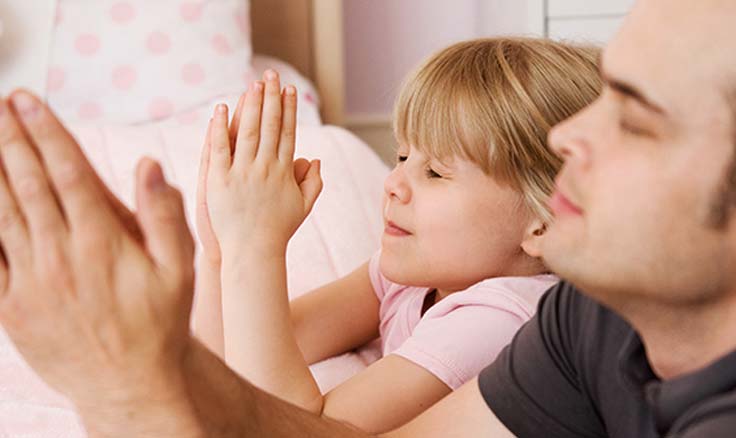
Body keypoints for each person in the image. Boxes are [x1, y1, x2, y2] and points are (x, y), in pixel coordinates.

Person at [0, 0, 736, 436]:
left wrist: (128, 391)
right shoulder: (597, 320)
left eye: (634, 115)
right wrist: (135, 369)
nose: (566, 136)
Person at [190, 38, 601, 432]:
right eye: (402, 156)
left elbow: (293, 428)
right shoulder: (414, 275)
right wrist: (222, 249)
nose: (392, 183)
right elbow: (237, 353)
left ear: (544, 222)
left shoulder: (500, 318)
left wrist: (257, 246)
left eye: (435, 172)